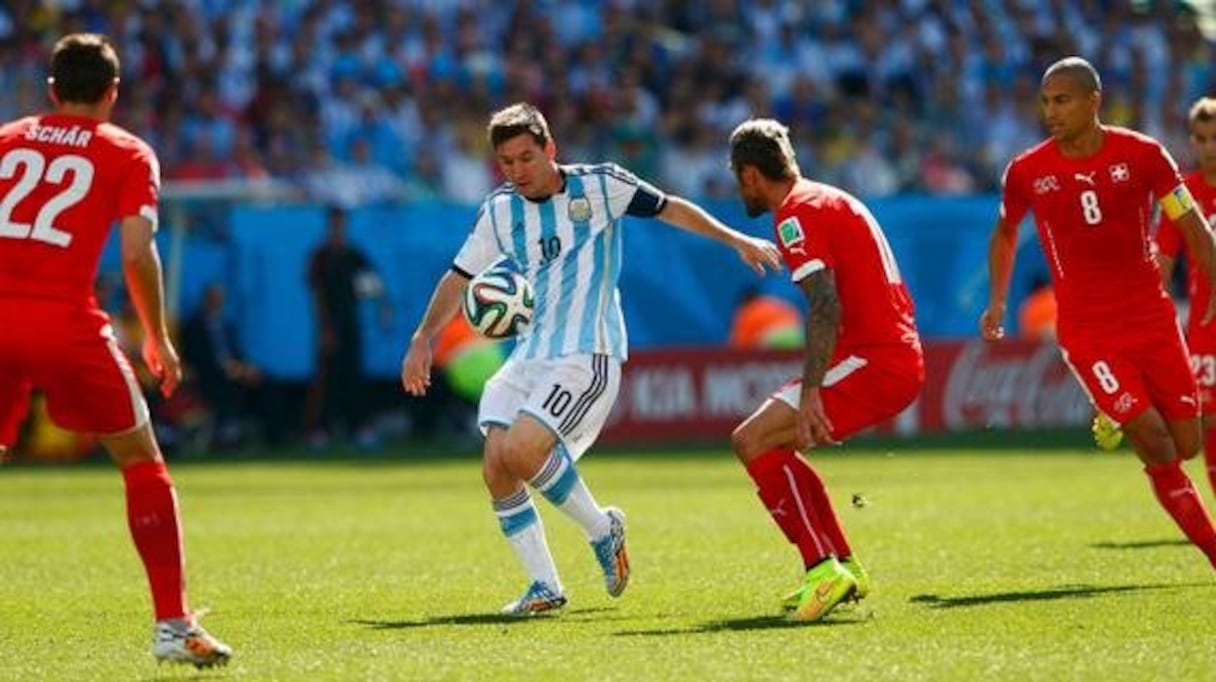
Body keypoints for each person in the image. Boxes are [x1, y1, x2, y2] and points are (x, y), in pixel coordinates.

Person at [400, 102, 782, 615]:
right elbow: (459, 276)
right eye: (506, 162)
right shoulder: (499, 210)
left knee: (523, 449)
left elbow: (669, 206)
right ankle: (544, 587)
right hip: (529, 354)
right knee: (496, 466)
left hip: (588, 350)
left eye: (526, 158)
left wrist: (734, 238)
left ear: (550, 148)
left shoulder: (601, 186)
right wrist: (424, 336)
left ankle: (603, 529)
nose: (517, 171)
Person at [0, 34, 232, 666]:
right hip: (65, 323)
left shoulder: (7, 138)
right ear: (112, 93)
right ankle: (172, 626)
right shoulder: (127, 151)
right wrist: (157, 335)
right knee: (140, 461)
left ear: (51, 89)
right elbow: (135, 251)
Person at [980, 57, 1216, 569]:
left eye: (1061, 100)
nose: (1051, 111)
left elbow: (1194, 226)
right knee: (1154, 442)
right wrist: (998, 300)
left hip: (1152, 320)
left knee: (1187, 443)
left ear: (1094, 101)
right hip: (1089, 331)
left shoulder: (1144, 155)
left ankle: (1119, 414)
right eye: (1045, 101)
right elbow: (1004, 233)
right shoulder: (1027, 171)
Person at [726, 118, 925, 622]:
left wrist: (812, 390)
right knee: (770, 445)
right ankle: (842, 566)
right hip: (887, 355)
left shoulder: (796, 215)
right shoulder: (827, 197)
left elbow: (824, 305)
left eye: (737, 177)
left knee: (752, 440)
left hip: (874, 360)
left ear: (750, 174)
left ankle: (822, 568)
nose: (738, 188)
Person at [1155, 96, 1216, 498]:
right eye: (1201, 138)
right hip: (1204, 329)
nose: (1209, 147)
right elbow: (1162, 264)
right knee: (1208, 420)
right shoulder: (1181, 195)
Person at [306, 205, 387, 449]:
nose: (338, 228)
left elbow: (373, 286)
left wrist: (383, 306)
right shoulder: (321, 256)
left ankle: (358, 428)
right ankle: (320, 431)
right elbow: (317, 295)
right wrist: (325, 328)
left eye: (342, 224)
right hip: (330, 326)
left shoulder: (355, 255)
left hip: (351, 325)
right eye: (335, 224)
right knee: (328, 379)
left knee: (354, 377)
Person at [180, 282, 264, 449]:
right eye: (213, 298)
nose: (216, 302)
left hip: (232, 370)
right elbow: (195, 356)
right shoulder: (193, 326)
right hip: (208, 373)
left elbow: (237, 353)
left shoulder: (227, 326)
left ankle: (256, 430)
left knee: (262, 381)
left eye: (219, 298)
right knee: (225, 384)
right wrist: (226, 367)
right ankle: (226, 430)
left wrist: (245, 368)